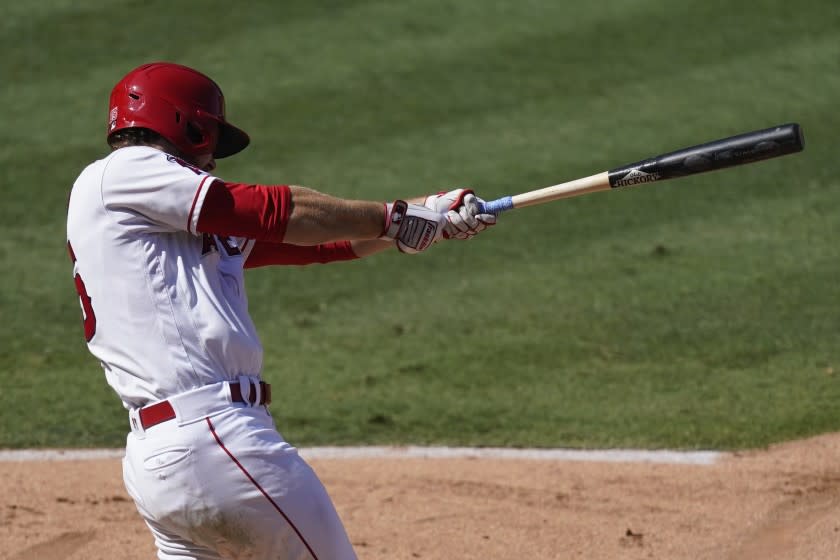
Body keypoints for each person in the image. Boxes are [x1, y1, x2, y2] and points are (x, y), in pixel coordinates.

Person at [65, 61, 496, 560]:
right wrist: (394, 218)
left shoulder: (163, 225)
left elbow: (315, 244)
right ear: (187, 124)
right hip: (218, 445)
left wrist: (430, 213)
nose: (211, 160)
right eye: (210, 140)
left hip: (160, 466)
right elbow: (278, 211)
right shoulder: (125, 171)